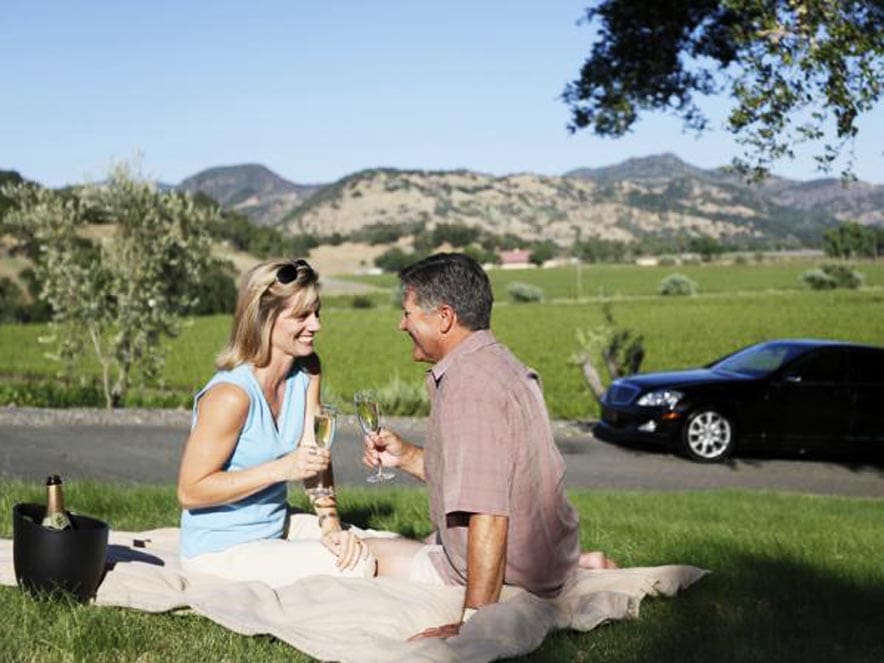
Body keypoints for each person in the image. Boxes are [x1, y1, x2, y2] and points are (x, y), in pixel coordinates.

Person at [362, 252, 617, 640]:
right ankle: (578, 567)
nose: (402, 324)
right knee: (385, 546)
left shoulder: (470, 389)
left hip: (516, 576)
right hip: (545, 562)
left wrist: (473, 624)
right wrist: (407, 457)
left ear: (444, 317)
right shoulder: (496, 363)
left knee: (363, 556)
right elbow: (492, 473)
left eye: (408, 313)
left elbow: (488, 514)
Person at [177, 258, 375, 586]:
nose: (316, 325)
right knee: (358, 565)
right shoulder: (231, 396)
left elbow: (314, 456)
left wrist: (330, 522)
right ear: (264, 319)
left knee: (380, 545)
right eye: (302, 316)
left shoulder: (307, 370)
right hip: (220, 550)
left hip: (275, 526)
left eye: (317, 312)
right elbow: (190, 491)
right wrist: (281, 469)